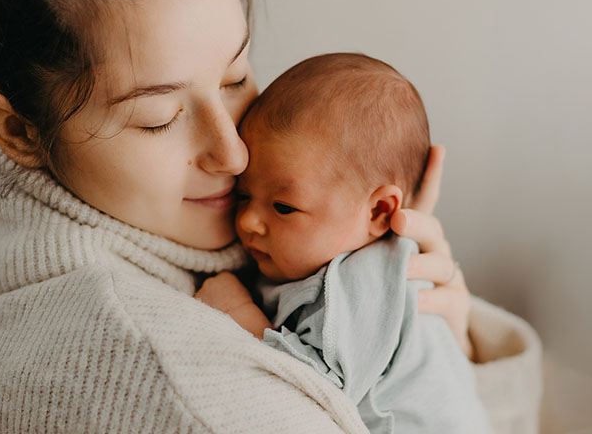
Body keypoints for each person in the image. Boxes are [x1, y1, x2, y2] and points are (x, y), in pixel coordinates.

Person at [0, 0, 542, 433]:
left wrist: (444, 340)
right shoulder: (194, 396)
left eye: (236, 76)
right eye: (158, 117)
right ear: (20, 130)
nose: (235, 152)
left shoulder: (196, 240)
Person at [197, 52, 493, 433]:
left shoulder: (362, 284)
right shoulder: (325, 258)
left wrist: (240, 314)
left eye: (284, 207)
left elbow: (313, 394)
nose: (248, 221)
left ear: (378, 211)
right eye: (242, 196)